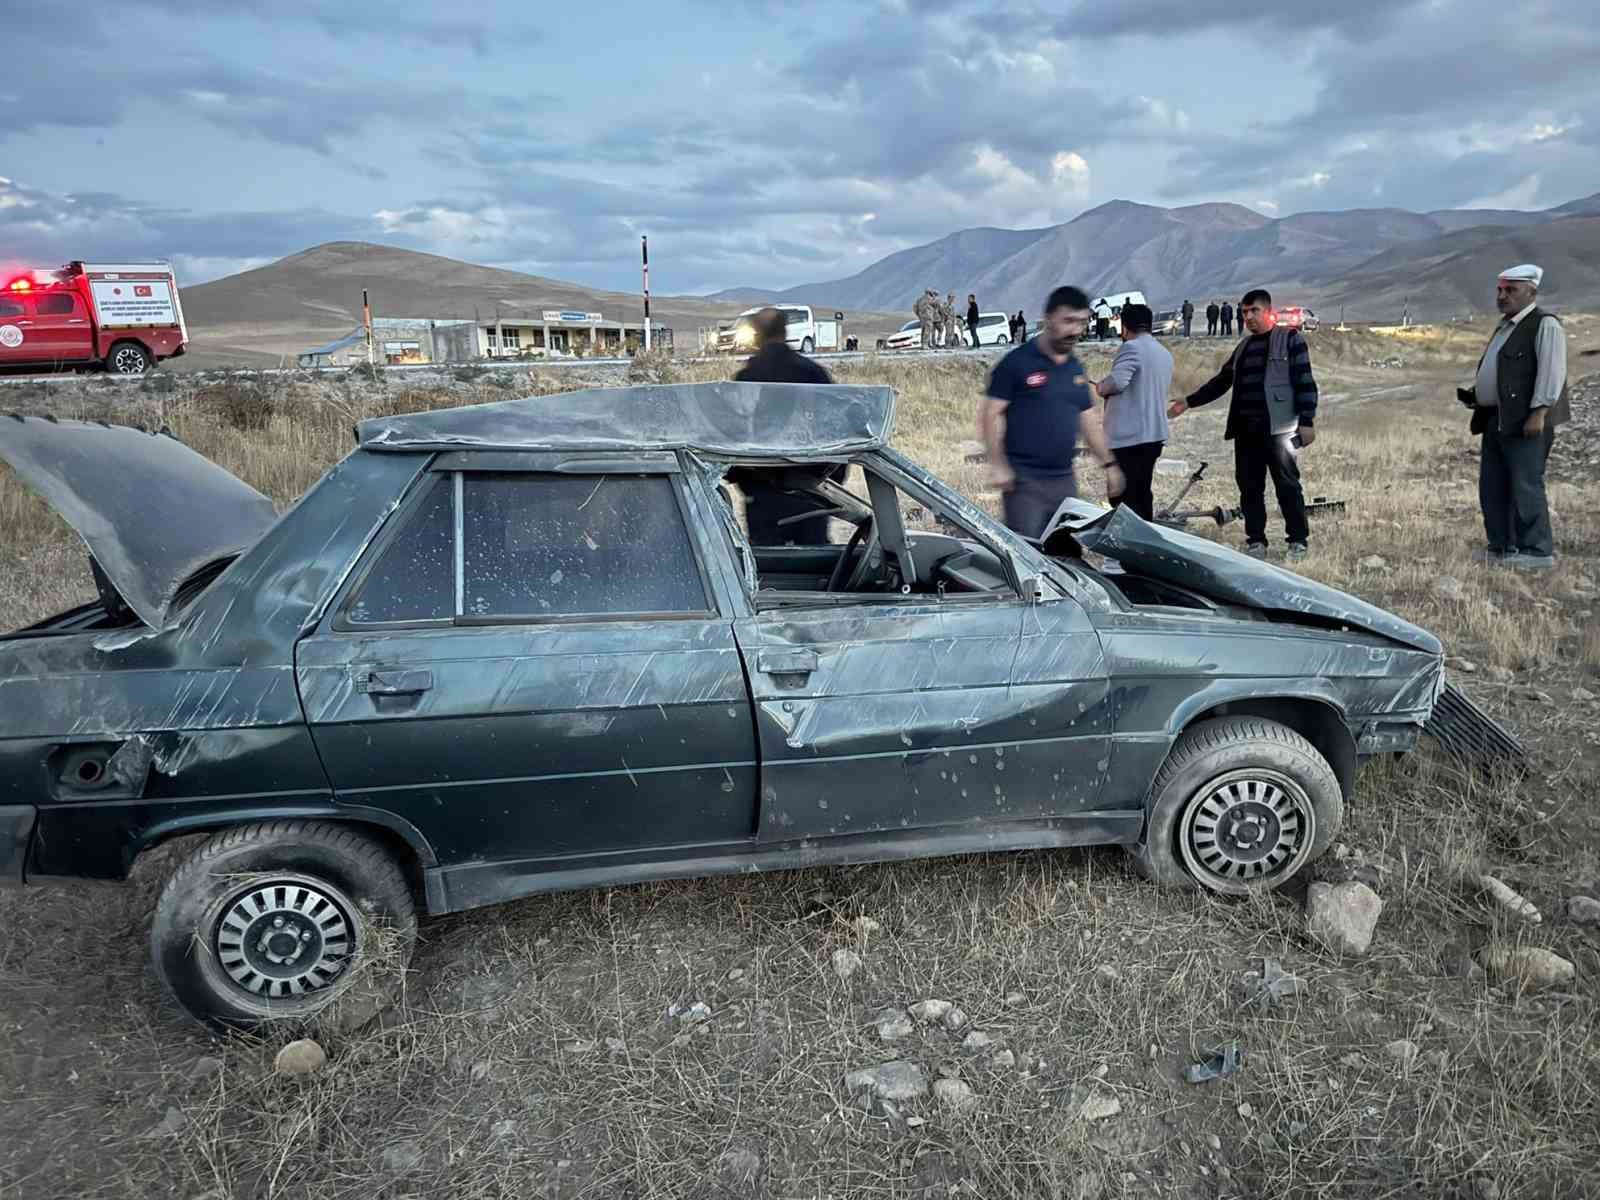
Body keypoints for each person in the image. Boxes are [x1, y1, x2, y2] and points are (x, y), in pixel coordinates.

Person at [1169, 288, 1319, 561]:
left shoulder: (1290, 340)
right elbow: (1221, 381)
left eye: (1254, 311)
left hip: (1279, 430)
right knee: (1250, 488)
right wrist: (1189, 402)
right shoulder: (1244, 348)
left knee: (1287, 485)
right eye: (1244, 312)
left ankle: (1297, 540)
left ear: (1268, 312)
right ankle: (1256, 541)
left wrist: (1307, 421)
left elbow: (1305, 381)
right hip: (1246, 431)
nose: (1248, 317)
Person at [978, 286, 1122, 538]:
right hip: (1025, 482)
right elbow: (989, 413)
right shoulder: (1017, 363)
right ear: (1048, 319)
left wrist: (1109, 464)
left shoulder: (1075, 368)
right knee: (1027, 554)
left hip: (1064, 479)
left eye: (1081, 322)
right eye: (1068, 321)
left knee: (1063, 551)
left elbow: (1088, 419)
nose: (1076, 330)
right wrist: (999, 465)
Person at [1458, 263, 1570, 569]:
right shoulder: (1506, 326)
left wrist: (1540, 412)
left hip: (1526, 421)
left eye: (1511, 290)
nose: (1503, 295)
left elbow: (1552, 372)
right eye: (1500, 289)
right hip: (1495, 418)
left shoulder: (1544, 324)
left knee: (1525, 483)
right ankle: (1502, 546)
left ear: (1531, 292)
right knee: (1493, 485)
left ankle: (1536, 550)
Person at [732, 307, 842, 545]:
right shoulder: (813, 374)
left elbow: (733, 433)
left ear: (756, 335)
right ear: (784, 331)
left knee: (770, 567)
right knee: (815, 564)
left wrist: (744, 478)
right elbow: (835, 429)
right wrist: (828, 480)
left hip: (761, 493)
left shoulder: (746, 379)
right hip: (810, 491)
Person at [1093, 303, 1173, 522]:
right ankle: (1144, 542)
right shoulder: (1163, 352)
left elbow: (1118, 382)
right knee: (1142, 493)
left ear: (1124, 326)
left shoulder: (1131, 348)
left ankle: (1127, 548)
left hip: (1129, 438)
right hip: (1154, 435)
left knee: (1123, 499)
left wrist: (1101, 387)